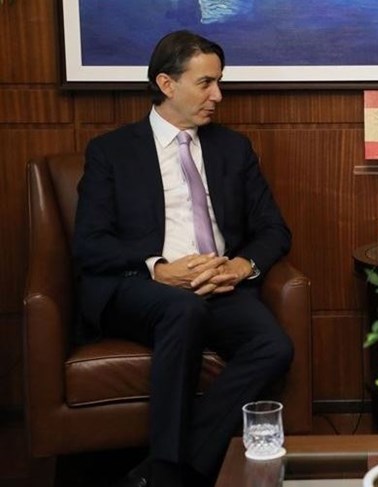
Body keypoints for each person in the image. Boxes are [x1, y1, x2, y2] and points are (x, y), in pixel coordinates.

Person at [72, 30, 294, 487]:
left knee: (274, 346)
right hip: (141, 286)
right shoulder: (112, 151)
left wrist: (239, 267)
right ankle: (171, 470)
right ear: (167, 84)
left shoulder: (232, 148)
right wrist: (157, 267)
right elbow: (90, 243)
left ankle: (171, 467)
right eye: (206, 83)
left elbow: (274, 229)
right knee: (183, 309)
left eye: (219, 82)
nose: (218, 95)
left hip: (219, 284)